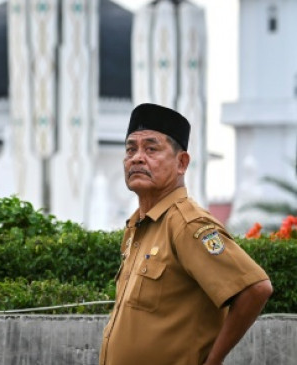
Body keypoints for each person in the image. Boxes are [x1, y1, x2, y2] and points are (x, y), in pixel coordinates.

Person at [100, 103, 273, 365]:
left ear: (181, 163)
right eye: (130, 149)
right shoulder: (138, 226)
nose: (137, 157)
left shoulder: (186, 224)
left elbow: (255, 289)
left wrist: (212, 361)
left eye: (151, 148)